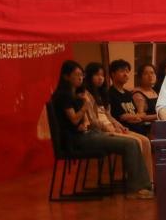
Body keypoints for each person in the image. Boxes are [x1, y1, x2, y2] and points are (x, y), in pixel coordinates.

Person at [51, 60, 154, 199]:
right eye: (76, 75)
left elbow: (86, 120)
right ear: (66, 76)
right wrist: (85, 107)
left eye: (81, 75)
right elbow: (74, 119)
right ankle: (136, 189)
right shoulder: (64, 96)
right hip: (79, 139)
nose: (80, 78)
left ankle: (145, 185)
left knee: (137, 142)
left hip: (90, 133)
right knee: (131, 143)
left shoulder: (77, 94)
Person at [84, 62, 155, 184]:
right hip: (100, 131)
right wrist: (111, 128)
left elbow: (108, 115)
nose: (100, 78)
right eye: (97, 75)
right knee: (136, 142)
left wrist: (119, 126)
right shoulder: (87, 95)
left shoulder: (102, 94)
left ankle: (149, 181)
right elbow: (93, 120)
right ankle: (137, 184)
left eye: (102, 75)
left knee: (145, 141)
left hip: (114, 127)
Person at [107, 59, 149, 136]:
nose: (125, 74)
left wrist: (136, 117)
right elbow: (122, 116)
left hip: (138, 126)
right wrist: (137, 116)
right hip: (124, 129)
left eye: (127, 71)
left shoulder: (128, 93)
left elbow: (136, 114)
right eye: (122, 71)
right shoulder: (110, 93)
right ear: (113, 74)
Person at [131, 63, 160, 128]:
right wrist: (159, 115)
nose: (150, 76)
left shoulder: (154, 91)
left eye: (152, 73)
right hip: (147, 127)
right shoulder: (138, 94)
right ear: (140, 77)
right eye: (146, 73)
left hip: (158, 124)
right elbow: (141, 117)